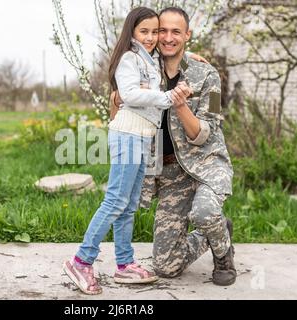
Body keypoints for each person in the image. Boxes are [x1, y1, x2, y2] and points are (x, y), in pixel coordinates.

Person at [63, 7, 197, 295]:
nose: (151, 37)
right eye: (144, 32)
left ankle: (124, 265)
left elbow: (169, 60)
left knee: (129, 204)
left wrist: (192, 57)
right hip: (127, 135)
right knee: (115, 201)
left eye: (154, 32)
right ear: (132, 33)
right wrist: (167, 97)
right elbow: (130, 94)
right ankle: (81, 260)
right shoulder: (129, 58)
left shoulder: (148, 59)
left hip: (141, 137)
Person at [115, 7, 237, 287]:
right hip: (171, 173)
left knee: (205, 212)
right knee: (166, 266)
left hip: (207, 165)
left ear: (187, 35)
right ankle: (215, 233)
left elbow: (208, 130)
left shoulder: (209, 77)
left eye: (175, 32)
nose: (168, 37)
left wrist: (181, 106)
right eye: (162, 31)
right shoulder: (143, 68)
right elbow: (124, 89)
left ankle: (223, 253)